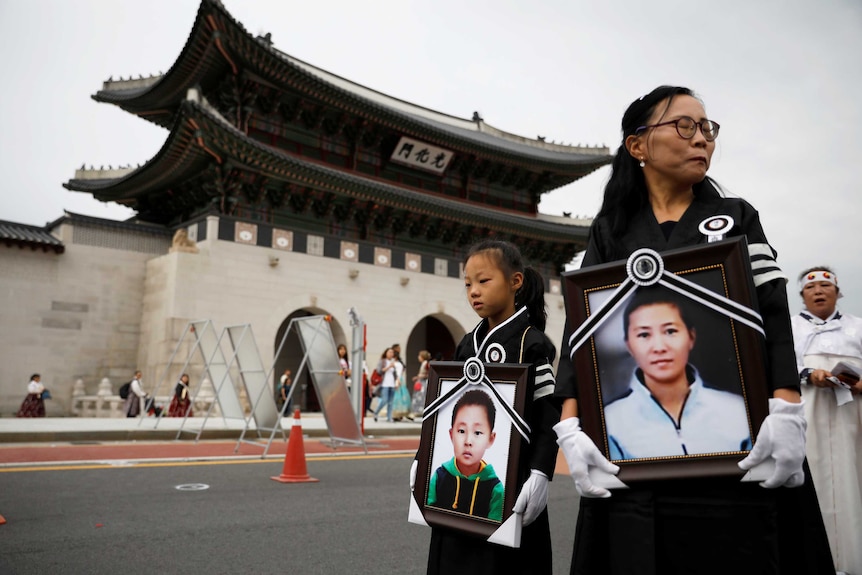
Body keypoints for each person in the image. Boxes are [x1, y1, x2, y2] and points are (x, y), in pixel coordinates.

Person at [553, 86, 834, 574]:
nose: (701, 138)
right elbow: (582, 330)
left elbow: (772, 313)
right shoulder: (609, 230)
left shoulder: (737, 216)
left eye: (707, 128)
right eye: (685, 125)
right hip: (633, 470)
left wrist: (787, 408)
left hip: (740, 456)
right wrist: (572, 426)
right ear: (638, 145)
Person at [417, 239, 561, 575]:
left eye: (484, 281)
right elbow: (444, 409)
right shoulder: (468, 342)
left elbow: (547, 416)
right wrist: (421, 459)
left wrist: (540, 472)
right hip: (459, 483)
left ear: (515, 282)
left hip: (511, 482)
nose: (474, 292)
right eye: (468, 284)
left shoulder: (531, 342)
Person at [605, 286, 751, 459]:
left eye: (670, 331)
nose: (659, 347)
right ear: (629, 345)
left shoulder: (737, 410)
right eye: (644, 335)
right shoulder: (611, 421)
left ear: (691, 337)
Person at [791, 266, 862, 575]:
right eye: (811, 287)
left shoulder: (857, 327)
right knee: (812, 475)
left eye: (825, 285)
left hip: (852, 413)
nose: (818, 291)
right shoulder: (789, 328)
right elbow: (775, 366)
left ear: (838, 292)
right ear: (803, 295)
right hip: (809, 409)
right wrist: (810, 374)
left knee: (853, 476)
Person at [427, 389, 504, 521]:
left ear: (491, 439)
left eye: (478, 433)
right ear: (451, 435)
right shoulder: (439, 477)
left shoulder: (495, 489)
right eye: (461, 431)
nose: (468, 441)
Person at [373, 347, 402, 422]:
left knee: (391, 402)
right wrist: (388, 367)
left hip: (392, 384)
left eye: (392, 352)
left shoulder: (392, 362)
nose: (391, 354)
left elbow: (394, 373)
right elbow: (379, 371)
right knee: (384, 400)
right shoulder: (382, 361)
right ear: (386, 353)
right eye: (389, 352)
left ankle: (389, 417)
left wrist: (397, 380)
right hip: (384, 384)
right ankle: (376, 412)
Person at [410, 350, 432, 417]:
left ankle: (420, 410)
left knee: (421, 396)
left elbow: (429, 373)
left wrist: (422, 376)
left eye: (419, 356)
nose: (418, 357)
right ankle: (417, 411)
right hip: (420, 381)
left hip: (423, 383)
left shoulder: (426, 364)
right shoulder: (424, 363)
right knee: (418, 396)